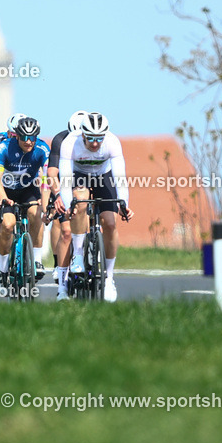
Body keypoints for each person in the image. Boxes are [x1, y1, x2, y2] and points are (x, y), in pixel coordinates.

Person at [57, 112, 134, 302]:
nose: (94, 143)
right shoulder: (70, 143)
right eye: (90, 138)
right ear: (82, 134)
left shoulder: (112, 142)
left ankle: (109, 278)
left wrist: (124, 204)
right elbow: (65, 181)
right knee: (80, 202)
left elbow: (120, 179)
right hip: (78, 175)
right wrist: (69, 206)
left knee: (110, 224)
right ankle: (78, 254)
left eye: (99, 138)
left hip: (103, 175)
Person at [0, 116, 51, 287]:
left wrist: (45, 206)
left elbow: (47, 180)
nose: (28, 142)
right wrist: (2, 199)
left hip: (27, 189)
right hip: (6, 190)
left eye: (32, 138)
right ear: (17, 136)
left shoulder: (42, 149)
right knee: (8, 225)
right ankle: (2, 267)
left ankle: (37, 260)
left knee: (36, 213)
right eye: (24, 137)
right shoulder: (4, 147)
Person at [46, 110, 87, 299]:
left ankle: (93, 250)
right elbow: (53, 173)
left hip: (88, 178)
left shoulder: (95, 141)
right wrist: (57, 196)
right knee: (65, 230)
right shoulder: (60, 140)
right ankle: (60, 269)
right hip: (66, 179)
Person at [0, 113, 26, 247]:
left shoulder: (29, 143)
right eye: (14, 136)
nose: (18, 140)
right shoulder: (0, 141)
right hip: (1, 178)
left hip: (22, 180)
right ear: (9, 133)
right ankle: (0, 260)